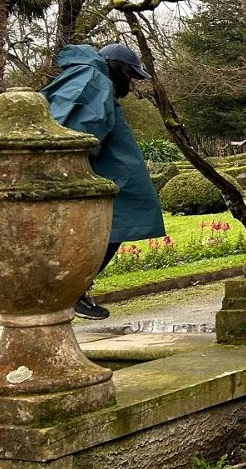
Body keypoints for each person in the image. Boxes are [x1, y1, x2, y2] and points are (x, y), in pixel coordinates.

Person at [42, 42, 167, 320]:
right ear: (118, 68)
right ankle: (71, 290)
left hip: (107, 171)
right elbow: (82, 126)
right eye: (131, 76)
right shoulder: (95, 79)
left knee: (117, 225)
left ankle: (73, 288)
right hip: (104, 175)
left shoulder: (91, 77)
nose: (132, 83)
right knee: (114, 225)